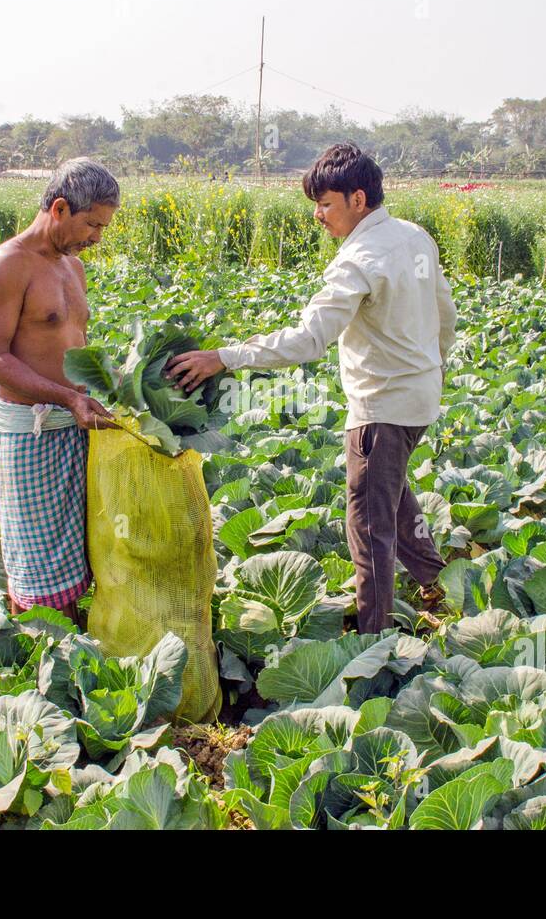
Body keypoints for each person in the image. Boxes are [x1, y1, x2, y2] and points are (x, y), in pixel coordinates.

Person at [166, 143, 458, 633]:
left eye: (325, 204)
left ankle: (374, 638)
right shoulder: (414, 237)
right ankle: (435, 580)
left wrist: (225, 357)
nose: (319, 216)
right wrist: (435, 366)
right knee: (393, 495)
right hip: (419, 399)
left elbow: (308, 341)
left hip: (381, 409)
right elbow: (444, 308)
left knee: (368, 526)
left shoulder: (358, 259)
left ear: (358, 199)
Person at [0, 158, 120, 619]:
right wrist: (67, 397)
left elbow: (73, 344)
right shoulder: (8, 265)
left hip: (75, 422)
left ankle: (71, 642)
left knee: (78, 543)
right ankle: (31, 650)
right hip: (32, 429)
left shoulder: (71, 267)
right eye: (92, 224)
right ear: (60, 208)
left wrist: (106, 382)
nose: (96, 237)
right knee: (34, 555)